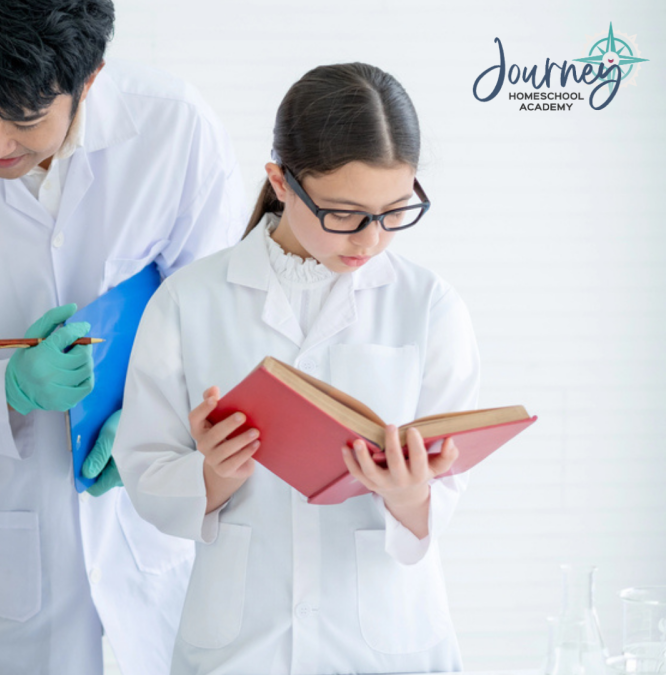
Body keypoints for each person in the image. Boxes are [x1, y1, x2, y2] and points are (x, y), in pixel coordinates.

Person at [0, 1, 246, 672]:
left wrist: (154, 415)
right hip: (5, 534)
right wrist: (3, 386)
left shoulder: (175, 133)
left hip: (151, 514)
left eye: (26, 120)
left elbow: (220, 313)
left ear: (89, 80)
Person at [112, 63, 478, 674]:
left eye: (394, 211)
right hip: (242, 645)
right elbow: (145, 470)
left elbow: (447, 487)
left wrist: (412, 496)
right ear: (281, 182)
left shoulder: (429, 305)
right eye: (345, 213)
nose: (370, 240)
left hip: (385, 641)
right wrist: (213, 474)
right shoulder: (189, 300)